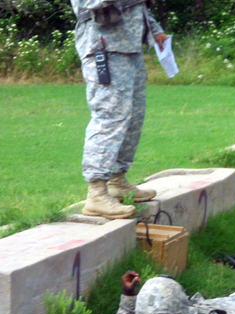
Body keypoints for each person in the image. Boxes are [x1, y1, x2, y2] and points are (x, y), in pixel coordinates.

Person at [70, 0, 170, 219]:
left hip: (130, 46)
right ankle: (96, 193)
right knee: (109, 116)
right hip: (104, 45)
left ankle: (117, 181)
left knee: (133, 116)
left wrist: (154, 30)